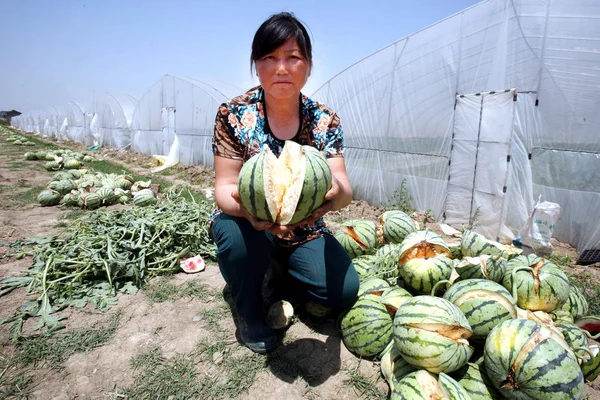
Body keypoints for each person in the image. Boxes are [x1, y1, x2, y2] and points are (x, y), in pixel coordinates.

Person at [210, 12, 359, 354]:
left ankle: (276, 269)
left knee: (343, 292)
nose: (281, 68)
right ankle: (248, 309)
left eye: (293, 57)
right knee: (234, 237)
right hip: (246, 220)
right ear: (256, 65)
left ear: (308, 65)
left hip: (304, 224)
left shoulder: (324, 120)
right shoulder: (233, 115)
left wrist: (334, 196)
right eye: (269, 58)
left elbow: (345, 187)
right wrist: (249, 214)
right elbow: (223, 188)